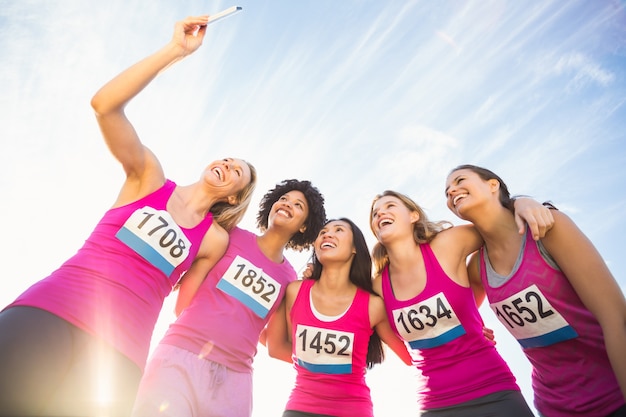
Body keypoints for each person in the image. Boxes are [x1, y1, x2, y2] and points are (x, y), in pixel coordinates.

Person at [0, 15, 257, 417]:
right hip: (52, 307)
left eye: (236, 170)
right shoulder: (149, 177)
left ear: (237, 194)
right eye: (225, 157)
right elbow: (104, 106)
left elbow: (190, 304)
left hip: (119, 353)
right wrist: (176, 50)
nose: (226, 164)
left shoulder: (213, 240)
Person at [131, 179, 327, 417]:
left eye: (298, 205)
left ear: (304, 226)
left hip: (235, 381)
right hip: (180, 357)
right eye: (283, 199)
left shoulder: (289, 278)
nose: (286, 204)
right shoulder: (231, 236)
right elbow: (186, 295)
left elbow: (271, 339)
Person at [445, 164, 626, 417]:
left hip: (614, 396)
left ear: (492, 185)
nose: (452, 190)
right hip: (554, 407)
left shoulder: (549, 228)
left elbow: (616, 319)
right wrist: (474, 334)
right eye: (447, 191)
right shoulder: (476, 267)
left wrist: (522, 200)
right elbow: (454, 322)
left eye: (460, 180)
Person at [369, 190, 544, 416]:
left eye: (390, 206)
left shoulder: (448, 244)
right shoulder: (377, 287)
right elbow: (406, 357)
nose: (380, 213)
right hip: (435, 402)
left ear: (413, 216)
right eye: (375, 213)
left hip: (493, 389)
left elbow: (496, 225)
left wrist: (522, 202)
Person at [265, 218, 413, 417]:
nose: (327, 234)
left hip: (354, 410)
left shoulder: (373, 305)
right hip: (300, 407)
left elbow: (410, 356)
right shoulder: (295, 291)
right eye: (323, 231)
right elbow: (276, 348)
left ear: (354, 248)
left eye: (339, 230)